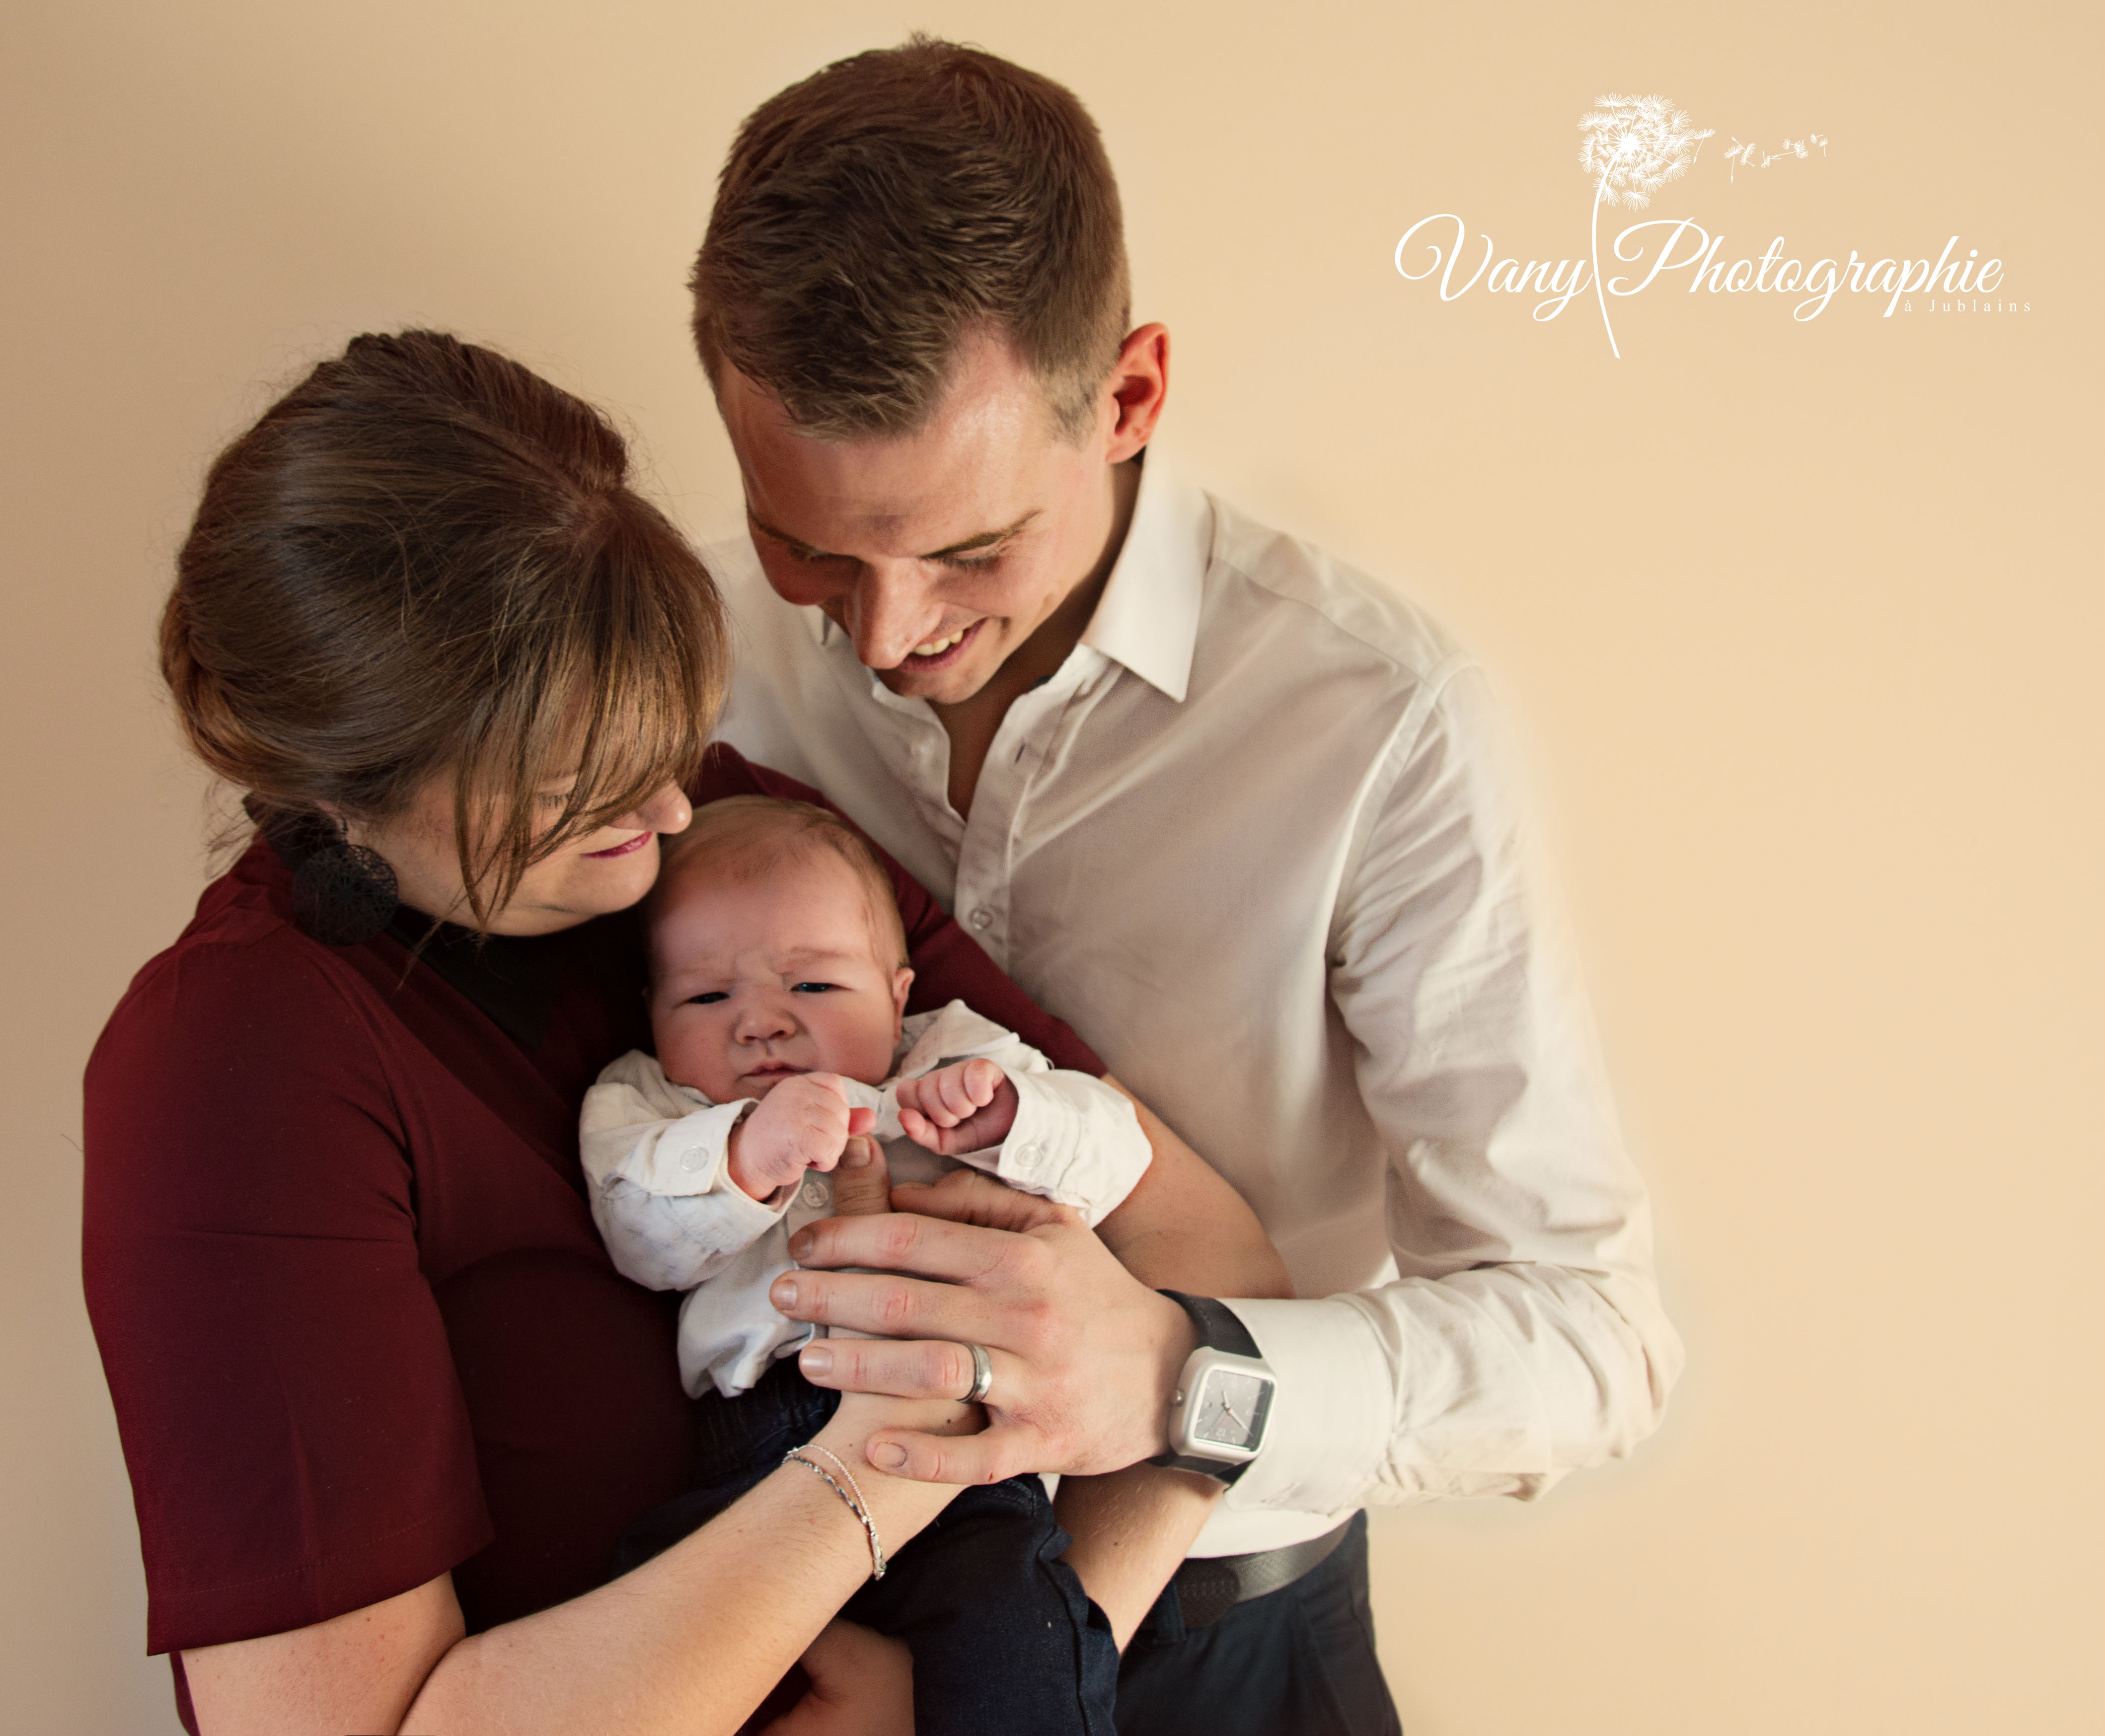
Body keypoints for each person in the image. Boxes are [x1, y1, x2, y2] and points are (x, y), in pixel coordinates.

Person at [689, 37, 1688, 1734]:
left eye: (965, 549)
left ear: (1133, 395)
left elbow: (1594, 1342)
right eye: (810, 549)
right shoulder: (700, 661)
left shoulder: (1377, 721)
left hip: (1233, 1662)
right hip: (778, 1614)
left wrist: (1174, 1368)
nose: (881, 633)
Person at [82, 328, 1285, 1736]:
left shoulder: (735, 860)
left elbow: (1209, 1255)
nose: (663, 820)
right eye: (580, 789)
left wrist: (994, 1679)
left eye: (662, 745)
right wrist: (879, 1472)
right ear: (355, 791)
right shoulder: (232, 1069)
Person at [589, 794, 1169, 1736]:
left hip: (958, 1431)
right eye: (706, 997)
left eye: (812, 988)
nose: (762, 1025)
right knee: (642, 1619)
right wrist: (742, 1158)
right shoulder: (647, 1101)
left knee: (1018, 1630)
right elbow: (634, 1232)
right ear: (652, 1012)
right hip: (753, 1443)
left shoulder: (949, 1054)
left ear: (899, 995)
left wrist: (1015, 1117)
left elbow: (1117, 1158)